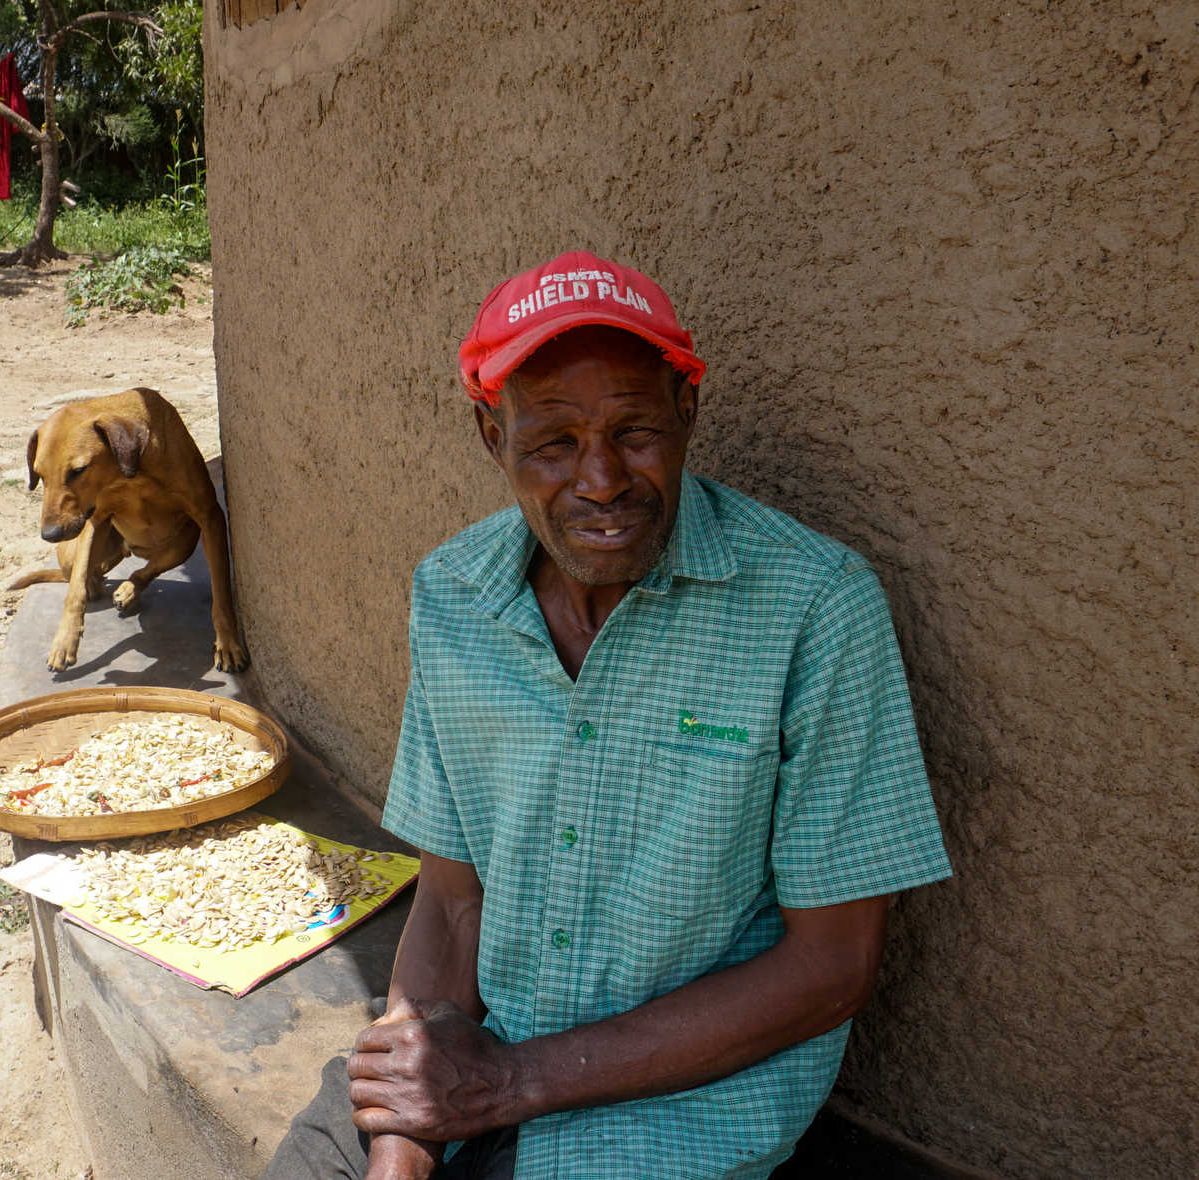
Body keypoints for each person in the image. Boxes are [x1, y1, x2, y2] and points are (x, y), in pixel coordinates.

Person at [264, 251, 952, 1180]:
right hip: (470, 1061)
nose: (599, 480)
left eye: (635, 431)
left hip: (675, 1120)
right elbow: (452, 900)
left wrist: (510, 1082)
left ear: (687, 413)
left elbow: (835, 966)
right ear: (489, 435)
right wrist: (402, 1143)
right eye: (552, 442)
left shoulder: (813, 607)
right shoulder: (454, 594)